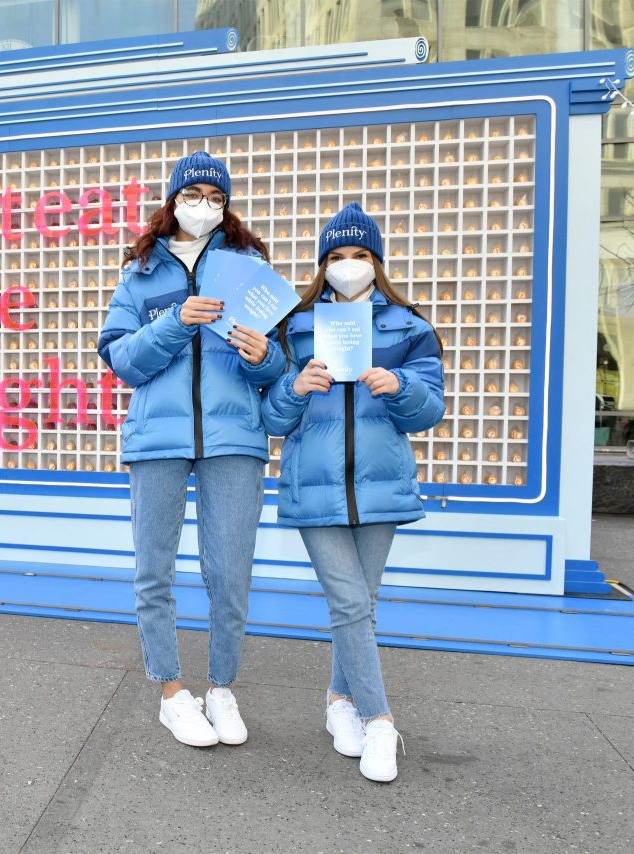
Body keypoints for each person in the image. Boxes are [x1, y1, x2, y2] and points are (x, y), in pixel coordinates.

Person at [97, 151, 285, 747]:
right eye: (193, 193)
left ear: (225, 206)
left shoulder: (249, 267)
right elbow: (122, 360)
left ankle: (222, 688)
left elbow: (280, 367)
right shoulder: (142, 271)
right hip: (158, 438)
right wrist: (176, 321)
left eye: (215, 196)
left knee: (229, 571)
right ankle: (172, 691)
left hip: (234, 438)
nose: (204, 204)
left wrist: (267, 357)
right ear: (173, 199)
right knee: (154, 570)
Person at [262, 202, 446, 782]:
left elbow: (430, 410)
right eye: (336, 257)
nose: (347, 266)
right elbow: (270, 416)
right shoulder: (292, 326)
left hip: (381, 487)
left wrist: (400, 387)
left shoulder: (408, 326)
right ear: (322, 264)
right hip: (312, 486)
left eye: (359, 255)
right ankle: (381, 721)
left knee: (359, 608)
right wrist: (294, 389)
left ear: (376, 261)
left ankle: (340, 703)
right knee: (349, 604)